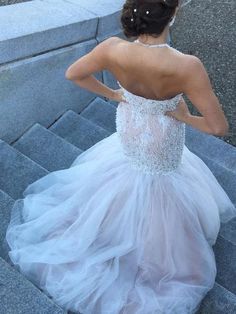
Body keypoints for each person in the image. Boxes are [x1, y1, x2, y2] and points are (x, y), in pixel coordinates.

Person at [5, 0, 236, 313]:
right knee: (158, 185)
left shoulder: (113, 48)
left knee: (124, 173)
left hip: (130, 126)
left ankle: (108, 232)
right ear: (172, 15)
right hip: (161, 137)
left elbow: (74, 73)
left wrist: (114, 94)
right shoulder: (186, 65)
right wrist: (180, 116)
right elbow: (217, 126)